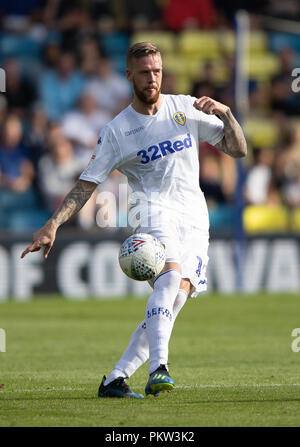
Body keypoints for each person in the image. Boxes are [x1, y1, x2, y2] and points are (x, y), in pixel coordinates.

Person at [21, 42, 247, 399]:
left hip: (194, 216)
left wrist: (226, 113)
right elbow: (86, 184)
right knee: (169, 278)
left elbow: (238, 149)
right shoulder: (117, 130)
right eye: (144, 72)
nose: (152, 78)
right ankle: (160, 368)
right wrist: (54, 223)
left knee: (174, 301)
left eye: (156, 70)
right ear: (129, 76)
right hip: (152, 210)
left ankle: (115, 379)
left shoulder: (184, 108)